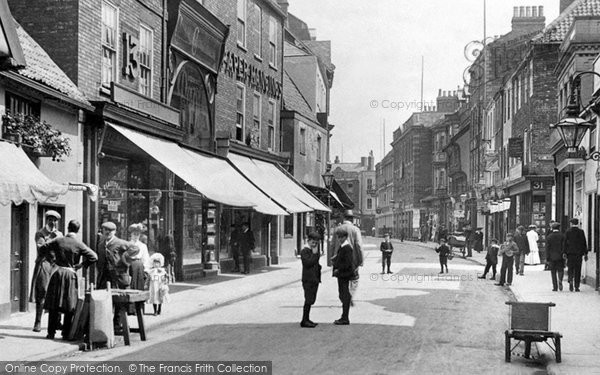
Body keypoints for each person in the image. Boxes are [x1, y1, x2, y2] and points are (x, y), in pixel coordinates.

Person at [40, 220, 97, 339]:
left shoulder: (58, 240)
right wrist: (82, 265)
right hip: (70, 275)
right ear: (78, 230)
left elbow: (42, 247)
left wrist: (52, 259)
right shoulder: (79, 243)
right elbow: (94, 257)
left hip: (58, 273)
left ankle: (50, 333)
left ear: (67, 228)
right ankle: (66, 333)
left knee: (54, 304)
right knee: (69, 304)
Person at [30, 210, 63, 332]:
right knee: (42, 292)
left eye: (55, 220)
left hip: (56, 264)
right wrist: (52, 240)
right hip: (44, 263)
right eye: (50, 220)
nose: (52, 222)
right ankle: (37, 322)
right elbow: (41, 248)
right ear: (46, 220)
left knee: (57, 292)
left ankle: (58, 321)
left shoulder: (59, 234)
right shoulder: (40, 233)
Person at [95, 221, 130, 289]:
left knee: (118, 297)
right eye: (106, 230)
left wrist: (124, 262)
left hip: (118, 277)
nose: (108, 232)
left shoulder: (120, 243)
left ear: (115, 232)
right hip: (104, 277)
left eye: (110, 231)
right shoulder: (101, 244)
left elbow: (135, 249)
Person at [332, 226, 354, 325]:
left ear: (345, 237)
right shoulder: (343, 247)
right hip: (342, 274)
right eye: (338, 237)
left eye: (341, 237)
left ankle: (345, 318)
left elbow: (348, 263)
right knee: (343, 294)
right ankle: (344, 316)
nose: (339, 239)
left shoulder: (347, 247)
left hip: (344, 274)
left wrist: (338, 268)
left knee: (344, 295)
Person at [300, 231, 322, 328]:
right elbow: (308, 263)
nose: (315, 244)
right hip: (308, 279)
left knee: (312, 299)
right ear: (308, 241)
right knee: (308, 299)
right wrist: (314, 254)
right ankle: (304, 320)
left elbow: (316, 262)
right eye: (313, 242)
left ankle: (307, 319)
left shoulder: (314, 251)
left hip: (314, 279)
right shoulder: (305, 251)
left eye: (316, 243)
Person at [564, 218, 588, 292]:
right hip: (579, 254)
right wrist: (585, 253)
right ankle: (577, 286)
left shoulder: (568, 232)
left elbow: (565, 243)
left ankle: (570, 279)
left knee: (570, 268)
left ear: (571, 223)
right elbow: (584, 243)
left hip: (570, 254)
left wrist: (564, 252)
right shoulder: (581, 232)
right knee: (578, 269)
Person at [127, 223, 150, 290]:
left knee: (139, 284)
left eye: (138, 234)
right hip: (129, 265)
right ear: (131, 234)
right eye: (134, 234)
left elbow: (145, 258)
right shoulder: (127, 244)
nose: (136, 236)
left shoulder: (143, 246)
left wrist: (146, 270)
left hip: (139, 266)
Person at [546, 222, 566, 292]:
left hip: (552, 257)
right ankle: (560, 279)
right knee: (560, 269)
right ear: (559, 228)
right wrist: (564, 253)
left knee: (553, 271)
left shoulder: (549, 237)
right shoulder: (562, 236)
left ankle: (555, 287)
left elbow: (547, 248)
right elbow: (564, 246)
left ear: (552, 228)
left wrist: (547, 258)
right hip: (560, 256)